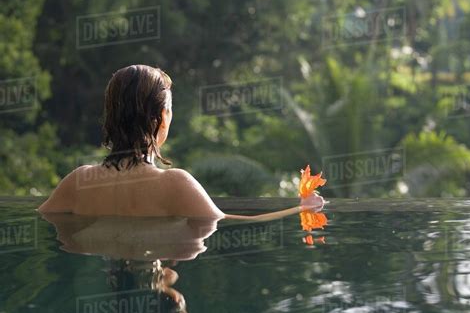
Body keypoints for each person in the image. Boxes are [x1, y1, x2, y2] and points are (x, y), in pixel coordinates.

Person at [37, 65, 324, 220]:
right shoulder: (175, 185)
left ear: (111, 116)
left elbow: (44, 222)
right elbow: (233, 221)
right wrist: (302, 207)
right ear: (162, 117)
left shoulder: (78, 182)